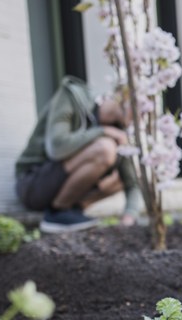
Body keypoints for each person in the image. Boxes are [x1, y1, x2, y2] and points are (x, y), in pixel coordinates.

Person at [15, 76, 141, 233]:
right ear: (125, 95)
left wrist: (129, 219)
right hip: (34, 183)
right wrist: (103, 131)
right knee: (105, 149)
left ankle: (71, 211)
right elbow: (56, 148)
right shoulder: (73, 95)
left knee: (121, 175)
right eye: (141, 106)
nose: (141, 116)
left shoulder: (120, 133)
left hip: (61, 189)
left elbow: (133, 184)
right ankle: (57, 213)